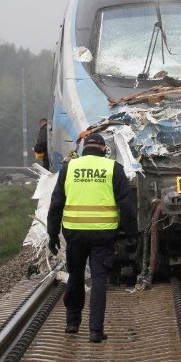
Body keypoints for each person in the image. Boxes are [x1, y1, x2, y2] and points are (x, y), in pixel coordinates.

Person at [47, 132, 138, 343]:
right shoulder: (113, 169)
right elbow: (127, 207)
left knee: (76, 276)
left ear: (83, 148)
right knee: (99, 281)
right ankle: (95, 331)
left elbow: (56, 204)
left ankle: (72, 323)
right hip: (103, 236)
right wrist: (132, 236)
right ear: (104, 149)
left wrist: (53, 234)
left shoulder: (69, 168)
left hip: (75, 235)